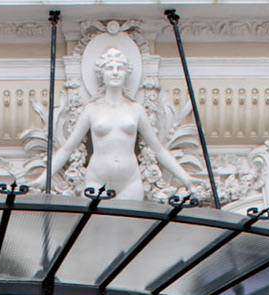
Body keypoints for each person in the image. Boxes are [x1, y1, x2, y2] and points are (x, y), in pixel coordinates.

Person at [49, 45, 194, 201]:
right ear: (101, 74)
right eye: (110, 68)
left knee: (131, 225)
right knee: (92, 225)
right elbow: (67, 149)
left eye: (120, 68)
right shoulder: (91, 110)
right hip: (96, 181)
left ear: (127, 73)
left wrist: (186, 179)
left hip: (129, 182)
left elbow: (158, 149)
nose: (115, 72)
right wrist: (43, 179)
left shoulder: (136, 110)